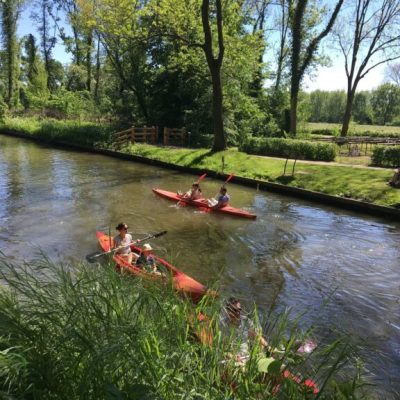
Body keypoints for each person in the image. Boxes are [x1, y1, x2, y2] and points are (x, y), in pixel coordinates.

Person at [219, 297, 268, 365]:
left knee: (265, 352)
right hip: (230, 356)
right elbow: (221, 347)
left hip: (245, 355)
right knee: (240, 367)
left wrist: (267, 346)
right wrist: (233, 356)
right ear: (228, 311)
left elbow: (256, 336)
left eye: (239, 310)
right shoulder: (223, 325)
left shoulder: (246, 321)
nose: (238, 312)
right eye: (234, 310)